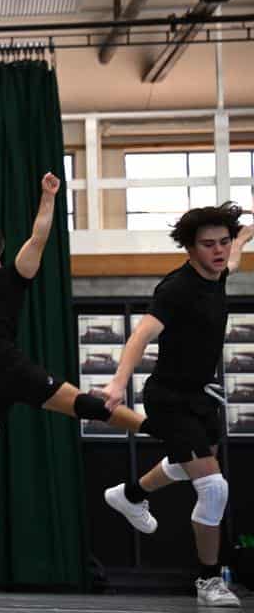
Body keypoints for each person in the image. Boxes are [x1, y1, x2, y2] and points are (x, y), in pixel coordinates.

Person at [0, 173, 146, 582]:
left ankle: (157, 429)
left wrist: (48, 198)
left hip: (8, 369)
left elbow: (37, 240)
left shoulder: (12, 278)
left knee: (87, 407)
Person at [101, 203, 252, 608]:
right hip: (168, 398)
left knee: (189, 468)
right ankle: (208, 581)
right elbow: (140, 337)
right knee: (213, 487)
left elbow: (240, 241)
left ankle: (129, 494)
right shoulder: (175, 289)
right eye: (208, 245)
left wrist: (243, 232)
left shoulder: (220, 270)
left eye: (223, 242)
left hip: (201, 396)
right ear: (189, 248)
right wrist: (117, 384)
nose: (218, 251)